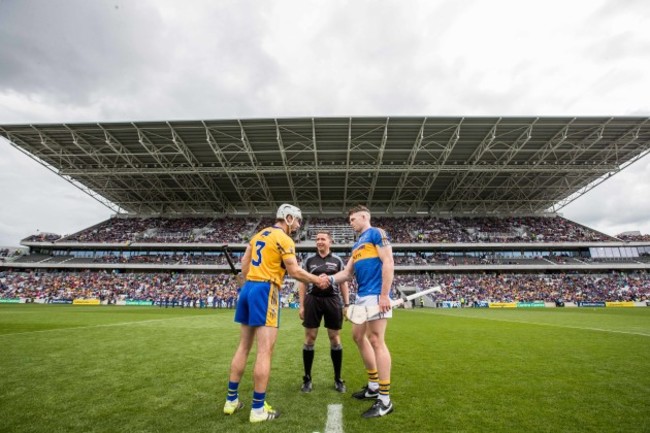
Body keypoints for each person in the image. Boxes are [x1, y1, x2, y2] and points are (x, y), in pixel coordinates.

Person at [223, 204, 329, 423]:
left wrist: (246, 283)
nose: (298, 225)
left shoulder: (259, 234)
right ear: (288, 218)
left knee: (243, 347)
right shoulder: (285, 239)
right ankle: (258, 408)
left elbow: (245, 263)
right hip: (266, 289)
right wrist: (317, 279)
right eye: (297, 220)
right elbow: (294, 271)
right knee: (265, 351)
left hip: (249, 287)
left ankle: (231, 400)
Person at [322, 205, 395, 418]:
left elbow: (388, 262)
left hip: (375, 295)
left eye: (353, 219)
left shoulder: (376, 233)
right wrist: (327, 279)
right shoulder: (357, 245)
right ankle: (373, 386)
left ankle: (385, 399)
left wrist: (384, 295)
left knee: (376, 340)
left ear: (364, 216)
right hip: (362, 296)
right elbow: (346, 273)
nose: (351, 223)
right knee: (357, 336)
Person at [298, 230, 350, 394]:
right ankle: (307, 379)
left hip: (333, 300)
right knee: (310, 338)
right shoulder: (309, 260)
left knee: (334, 338)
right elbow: (302, 283)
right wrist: (301, 305)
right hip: (312, 300)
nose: (319, 241)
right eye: (317, 239)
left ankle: (338, 379)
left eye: (323, 239)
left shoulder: (337, 260)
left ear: (330, 242)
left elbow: (343, 283)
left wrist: (346, 304)